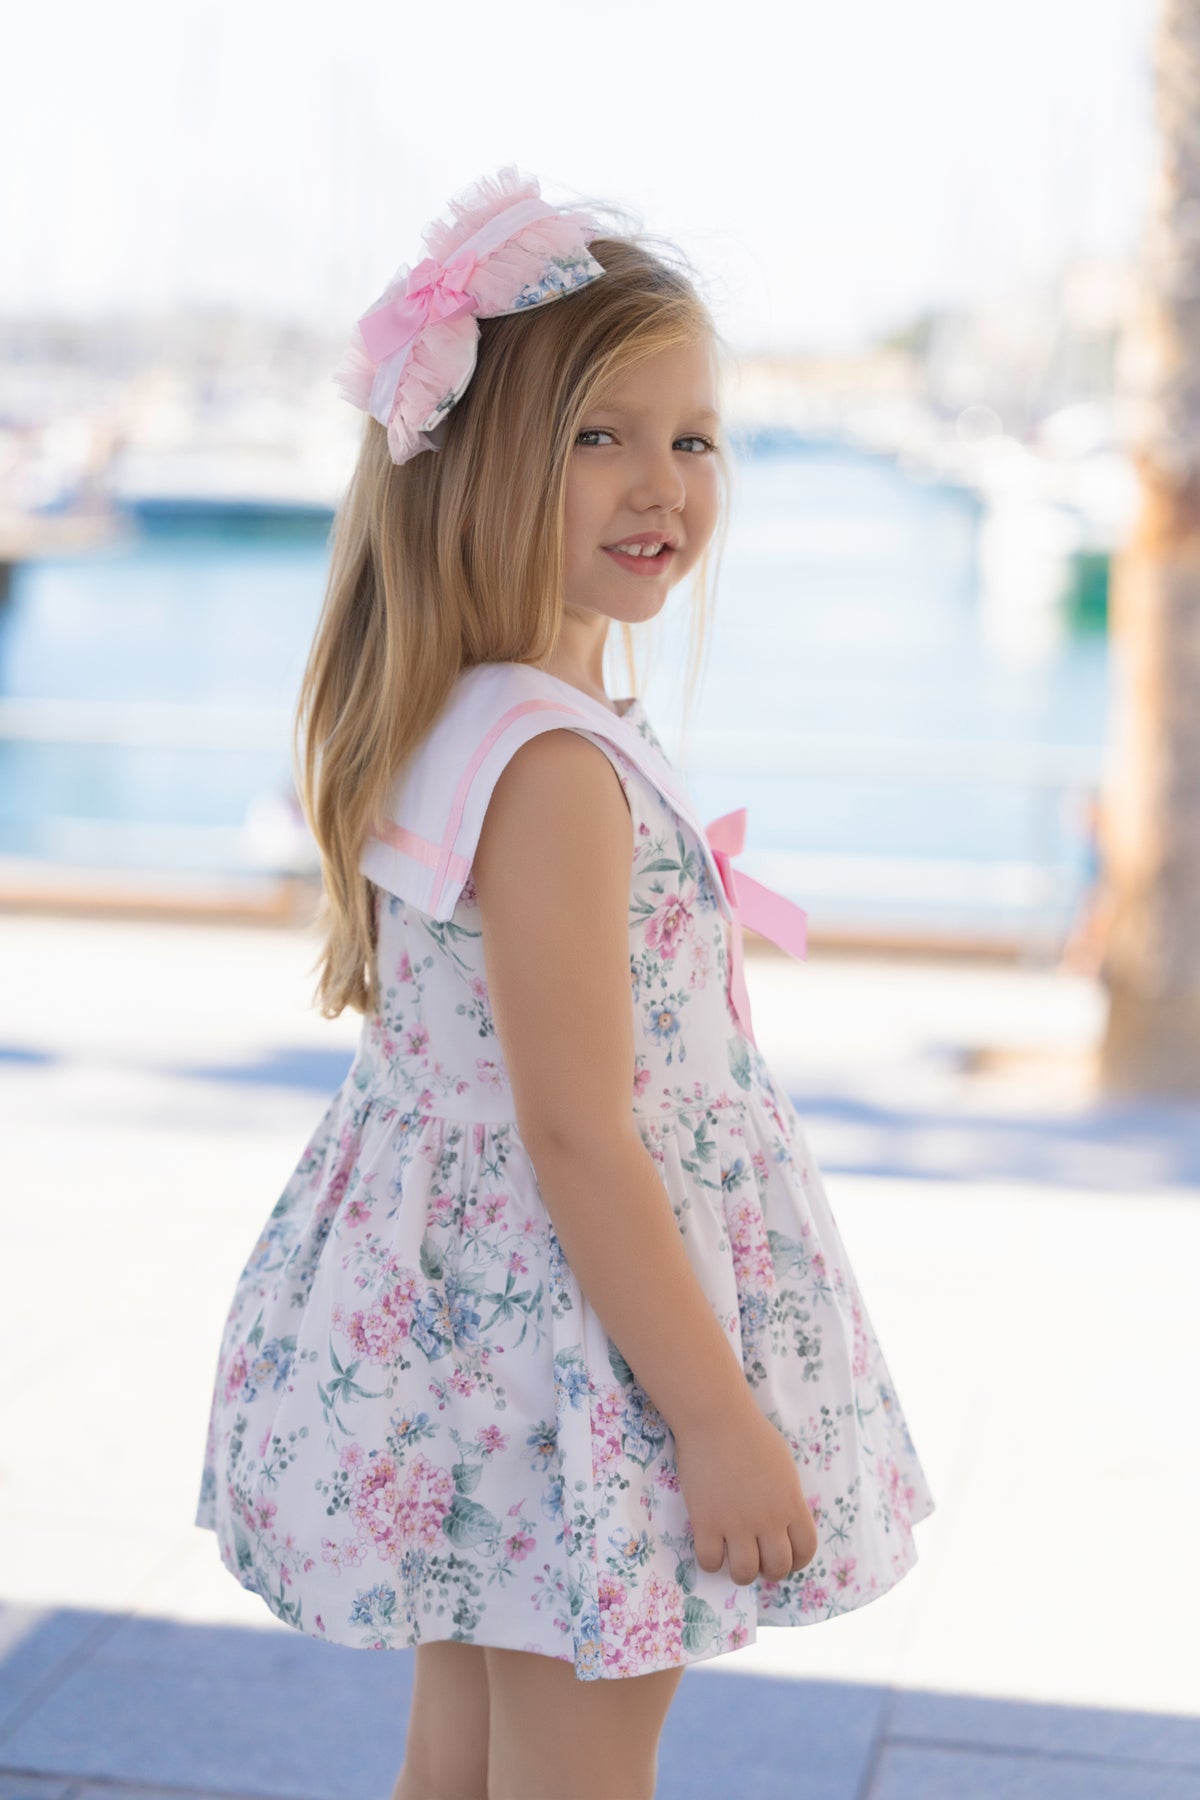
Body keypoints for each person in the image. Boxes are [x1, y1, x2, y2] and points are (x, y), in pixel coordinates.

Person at [193, 165, 935, 1800]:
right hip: (583, 1363)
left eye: (697, 438)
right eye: (601, 434)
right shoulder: (549, 770)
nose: (663, 482)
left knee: (463, 1765)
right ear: (474, 462)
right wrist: (718, 1420)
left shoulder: (478, 717)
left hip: (487, 1341)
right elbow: (579, 1134)